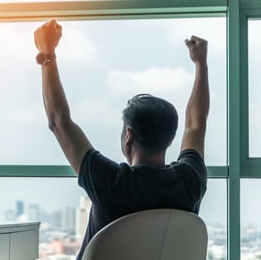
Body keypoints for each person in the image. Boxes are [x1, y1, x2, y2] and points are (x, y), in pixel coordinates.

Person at [34, 19, 209, 259]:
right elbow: (196, 125)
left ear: (129, 135)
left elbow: (58, 121)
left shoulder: (110, 182)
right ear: (169, 139)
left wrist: (47, 54)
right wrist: (201, 63)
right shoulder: (190, 181)